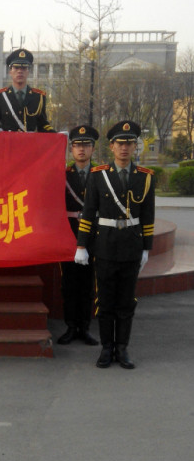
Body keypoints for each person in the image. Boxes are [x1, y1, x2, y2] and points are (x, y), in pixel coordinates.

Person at [75, 120, 155, 369]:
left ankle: (123, 348)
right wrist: (81, 245)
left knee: (127, 301)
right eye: (120, 143)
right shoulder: (99, 176)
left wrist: (146, 248)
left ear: (135, 146)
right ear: (111, 146)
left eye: (129, 143)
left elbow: (148, 215)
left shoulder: (145, 177)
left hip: (131, 246)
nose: (125, 148)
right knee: (105, 300)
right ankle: (106, 348)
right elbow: (88, 213)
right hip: (106, 246)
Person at [58, 125, 99, 346]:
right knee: (69, 283)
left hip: (94, 235)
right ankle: (70, 326)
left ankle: (84, 327)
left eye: (86, 145)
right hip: (69, 234)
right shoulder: (63, 175)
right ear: (71, 149)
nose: (81, 150)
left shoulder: (101, 175)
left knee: (88, 283)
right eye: (77, 145)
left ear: (93, 149)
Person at [0, 49, 55, 134]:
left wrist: (56, 134)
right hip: (8, 144)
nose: (20, 71)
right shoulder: (0, 96)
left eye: (24, 68)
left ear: (28, 72)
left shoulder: (38, 97)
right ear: (10, 72)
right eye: (16, 68)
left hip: (29, 144)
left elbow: (43, 125)